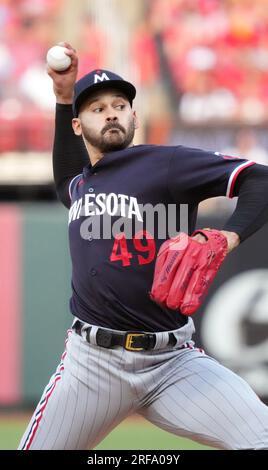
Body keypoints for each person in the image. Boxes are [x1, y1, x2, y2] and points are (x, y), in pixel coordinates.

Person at [18, 42, 268, 450]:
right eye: (97, 109)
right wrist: (63, 99)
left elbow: (260, 179)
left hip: (173, 362)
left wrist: (227, 235)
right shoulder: (81, 186)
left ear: (134, 116)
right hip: (92, 365)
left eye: (119, 104)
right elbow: (64, 176)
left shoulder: (166, 162)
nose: (111, 112)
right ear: (78, 127)